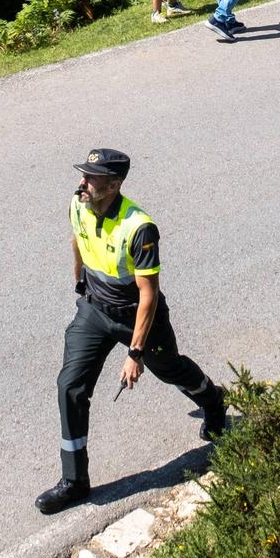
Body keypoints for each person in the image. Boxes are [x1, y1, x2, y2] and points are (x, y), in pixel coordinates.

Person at [36, 148, 229, 514]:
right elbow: (78, 239)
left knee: (169, 369)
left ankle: (214, 402)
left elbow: (148, 293)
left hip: (138, 316)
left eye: (92, 178)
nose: (83, 182)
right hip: (94, 309)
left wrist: (135, 352)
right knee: (70, 386)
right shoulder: (78, 203)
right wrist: (79, 282)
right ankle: (74, 481)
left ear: (114, 184)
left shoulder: (139, 227)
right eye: (83, 174)